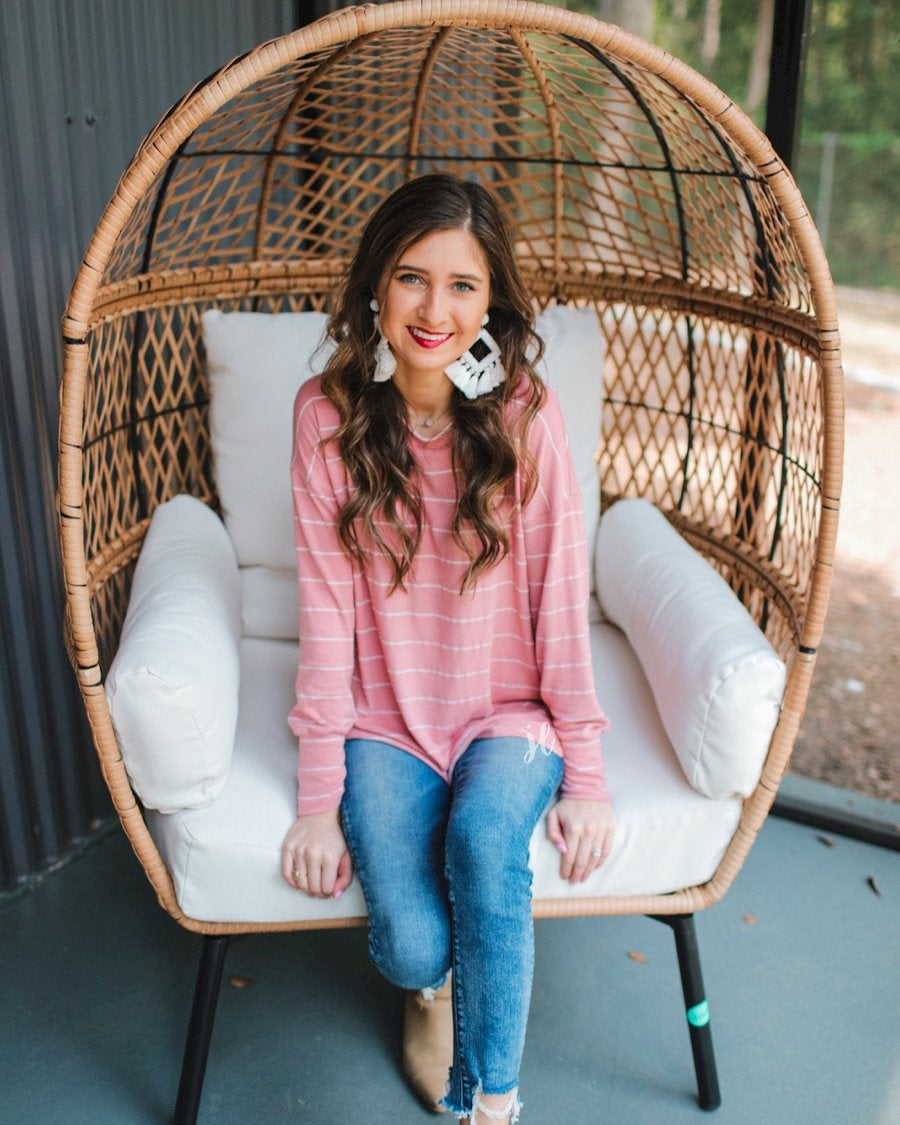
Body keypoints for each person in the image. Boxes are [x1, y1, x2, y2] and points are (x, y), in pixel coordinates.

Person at [281, 173, 615, 1125]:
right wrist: (317, 801)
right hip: (385, 723)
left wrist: (585, 775)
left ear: (493, 299)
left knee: (481, 842)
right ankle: (430, 993)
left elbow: (560, 605)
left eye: (463, 285)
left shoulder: (524, 415)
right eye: (412, 278)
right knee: (414, 950)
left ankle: (493, 1104)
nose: (436, 310)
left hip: (510, 715)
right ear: (375, 291)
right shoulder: (324, 417)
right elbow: (324, 615)